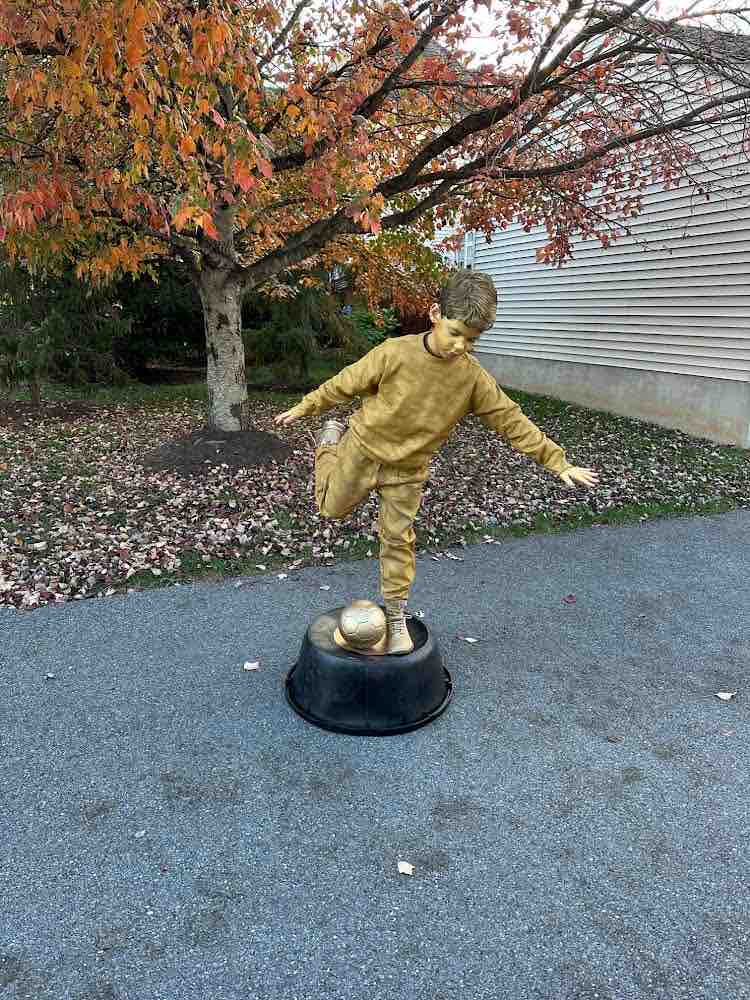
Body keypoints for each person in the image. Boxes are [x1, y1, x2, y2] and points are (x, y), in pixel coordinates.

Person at [274, 269, 599, 655]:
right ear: (434, 314)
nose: (462, 345)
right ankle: (329, 440)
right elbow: (346, 381)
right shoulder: (394, 353)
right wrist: (307, 406)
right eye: (456, 333)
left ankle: (396, 617)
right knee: (330, 509)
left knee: (398, 540)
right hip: (361, 449)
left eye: (473, 340)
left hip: (408, 472)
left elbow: (512, 421)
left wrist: (558, 462)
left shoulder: (473, 380)